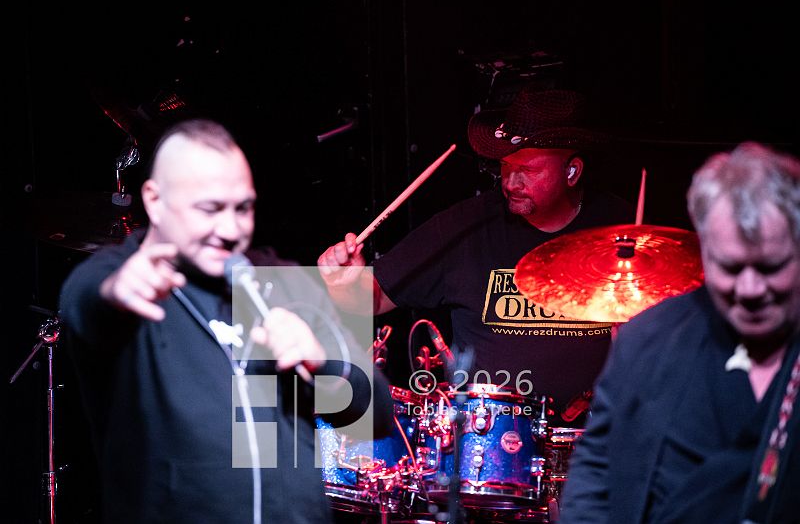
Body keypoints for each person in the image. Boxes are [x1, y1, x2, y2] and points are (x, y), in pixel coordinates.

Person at [59, 118, 392, 523]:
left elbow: (375, 415)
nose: (230, 229)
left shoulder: (281, 282)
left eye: (243, 208)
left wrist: (323, 362)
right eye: (209, 208)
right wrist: (116, 293)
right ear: (155, 200)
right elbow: (84, 304)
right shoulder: (123, 277)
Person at [317, 85, 634, 420]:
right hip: (484, 434)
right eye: (506, 166)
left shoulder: (625, 230)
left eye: (528, 170)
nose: (511, 182)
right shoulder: (463, 226)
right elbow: (372, 300)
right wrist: (345, 283)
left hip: (598, 434)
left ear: (571, 172)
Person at [558, 142, 800, 524]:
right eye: (730, 268)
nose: (750, 289)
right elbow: (596, 471)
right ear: (704, 250)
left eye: (771, 267)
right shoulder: (648, 339)